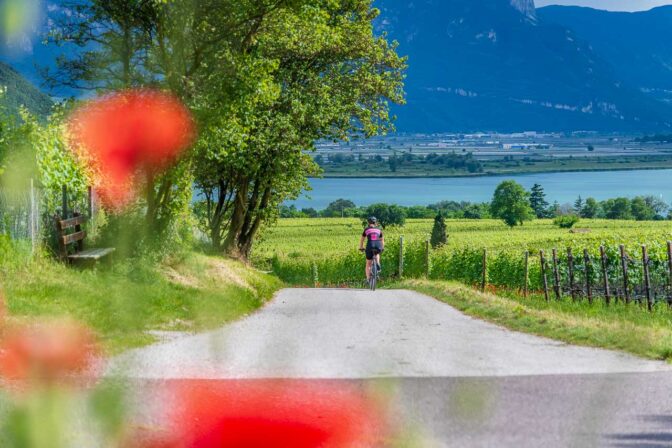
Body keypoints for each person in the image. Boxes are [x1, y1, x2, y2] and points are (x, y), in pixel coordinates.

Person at [359, 216, 384, 283]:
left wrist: (361, 247)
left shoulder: (366, 229)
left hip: (370, 245)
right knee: (377, 253)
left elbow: (362, 240)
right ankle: (378, 263)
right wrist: (382, 247)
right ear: (375, 222)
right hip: (378, 245)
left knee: (368, 264)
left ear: (368, 222)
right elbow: (382, 240)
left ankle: (368, 279)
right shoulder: (379, 230)